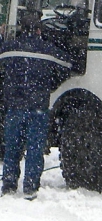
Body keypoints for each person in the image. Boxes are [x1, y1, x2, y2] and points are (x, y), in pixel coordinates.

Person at [0, 14, 72, 200]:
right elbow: (67, 64)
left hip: (14, 106)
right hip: (38, 107)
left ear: (22, 30)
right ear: (39, 31)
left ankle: (8, 185)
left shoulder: (8, 49)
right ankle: (30, 188)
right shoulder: (47, 50)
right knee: (34, 148)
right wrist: (51, 83)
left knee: (12, 148)